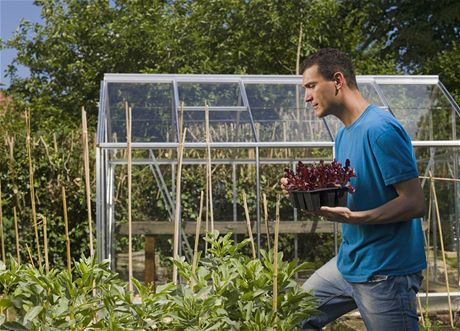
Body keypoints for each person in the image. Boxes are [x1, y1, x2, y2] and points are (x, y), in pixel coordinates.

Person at [285, 48, 427, 330]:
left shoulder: (380, 129)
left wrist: (356, 218)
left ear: (337, 80)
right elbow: (351, 189)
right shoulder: (343, 134)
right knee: (291, 314)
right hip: (349, 261)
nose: (306, 97)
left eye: (311, 86)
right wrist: (302, 187)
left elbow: (414, 202)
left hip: (386, 271)